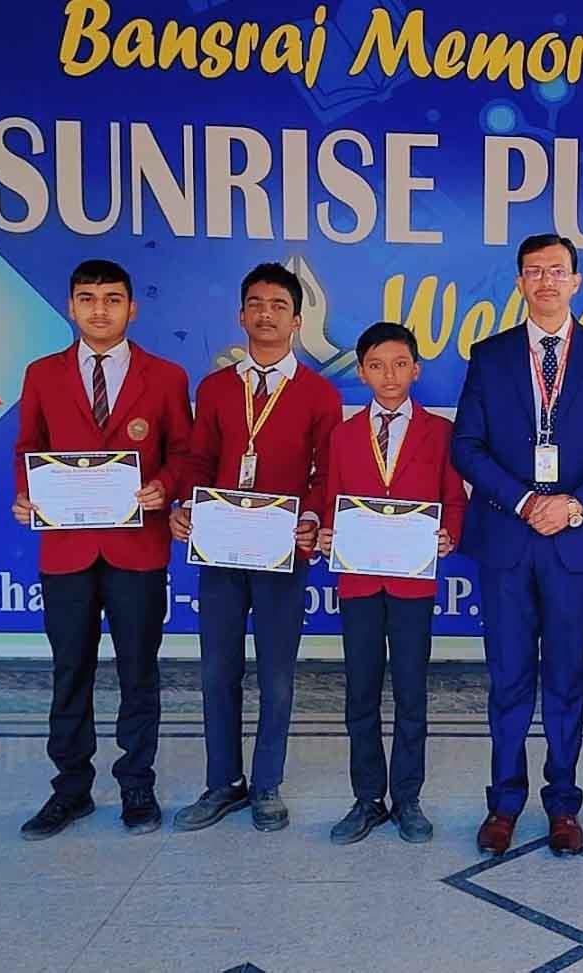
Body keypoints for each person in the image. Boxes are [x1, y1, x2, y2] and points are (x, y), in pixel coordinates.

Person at [452, 233, 583, 857]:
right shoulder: (490, 356)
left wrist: (576, 503)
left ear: (576, 282)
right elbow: (466, 446)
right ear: (519, 283)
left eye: (557, 270)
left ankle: (563, 804)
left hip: (575, 539)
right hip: (508, 538)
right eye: (534, 271)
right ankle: (504, 803)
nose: (546, 281)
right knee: (508, 678)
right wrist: (523, 501)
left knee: (565, 680)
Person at [11, 259, 193, 841]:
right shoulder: (42, 374)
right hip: (66, 549)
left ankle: (137, 783)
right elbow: (28, 447)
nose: (99, 309)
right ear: (70, 307)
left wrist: (164, 485)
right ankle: (71, 788)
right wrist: (27, 495)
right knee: (71, 670)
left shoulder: (166, 377)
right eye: (87, 298)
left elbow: (184, 452)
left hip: (137, 547)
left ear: (131, 309)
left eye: (112, 299)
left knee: (139, 669)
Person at [168, 263, 342, 834]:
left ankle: (267, 784)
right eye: (256, 304)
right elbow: (198, 460)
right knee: (217, 670)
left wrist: (311, 517)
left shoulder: (319, 393)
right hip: (220, 551)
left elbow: (326, 473)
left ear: (296, 321)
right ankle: (222, 782)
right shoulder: (216, 388)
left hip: (281, 552)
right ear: (241, 316)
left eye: (278, 305)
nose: (266, 314)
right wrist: (186, 505)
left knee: (276, 675)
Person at [317, 322, 467, 845]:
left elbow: (454, 498)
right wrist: (327, 531)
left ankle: (407, 799)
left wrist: (449, 534)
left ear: (416, 370)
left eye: (400, 364)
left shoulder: (439, 433)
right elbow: (331, 498)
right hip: (358, 582)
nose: (389, 375)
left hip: (412, 585)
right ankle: (366, 799)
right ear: (361, 372)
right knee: (360, 693)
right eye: (377, 366)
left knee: (410, 692)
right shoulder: (343, 435)